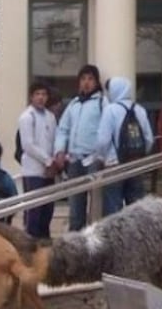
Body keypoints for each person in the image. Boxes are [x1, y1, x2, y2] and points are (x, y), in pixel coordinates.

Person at [53, 64, 106, 231]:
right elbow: (63, 129)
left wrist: (101, 155)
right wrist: (60, 150)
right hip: (75, 160)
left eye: (90, 79)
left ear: (97, 82)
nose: (86, 83)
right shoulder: (74, 105)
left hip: (94, 159)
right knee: (76, 205)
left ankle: (96, 241)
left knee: (97, 205)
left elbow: (107, 130)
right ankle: (76, 240)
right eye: (83, 79)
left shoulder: (102, 102)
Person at [96, 76, 154, 217]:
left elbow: (103, 140)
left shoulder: (110, 110)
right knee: (136, 207)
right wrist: (139, 154)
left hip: (114, 164)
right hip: (136, 163)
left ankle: (114, 238)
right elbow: (149, 139)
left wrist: (101, 157)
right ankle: (138, 236)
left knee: (113, 206)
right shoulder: (140, 109)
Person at [18, 82, 58, 238]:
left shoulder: (51, 117)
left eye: (44, 94)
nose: (41, 98)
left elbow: (54, 141)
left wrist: (54, 162)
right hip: (33, 171)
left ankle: (44, 245)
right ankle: (31, 246)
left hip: (49, 173)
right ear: (31, 96)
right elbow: (28, 145)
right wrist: (47, 160)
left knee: (47, 211)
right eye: (37, 94)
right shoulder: (27, 117)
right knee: (34, 212)